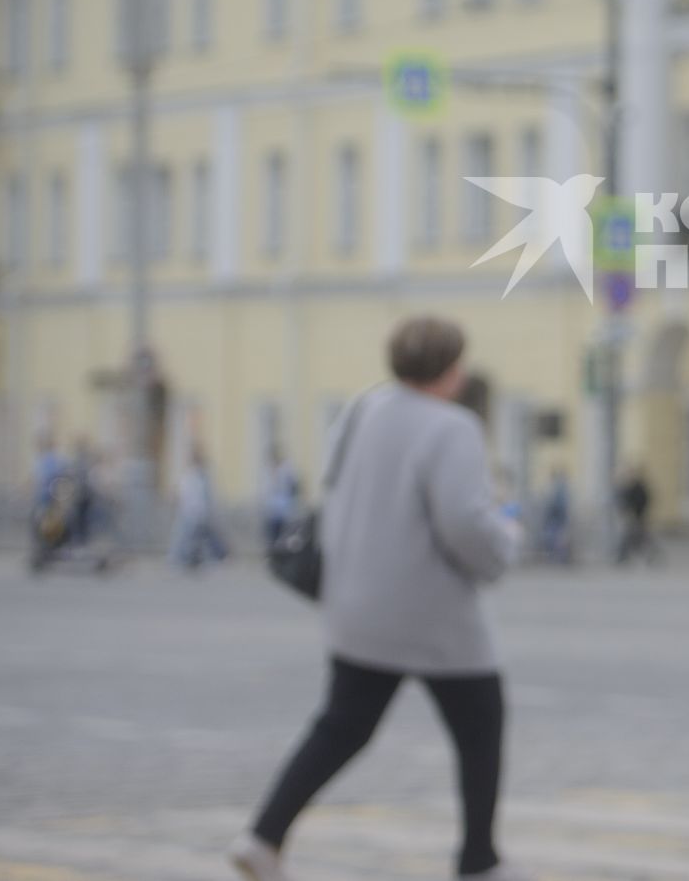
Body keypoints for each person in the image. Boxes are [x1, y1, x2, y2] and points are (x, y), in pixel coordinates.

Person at [232, 316, 522, 881]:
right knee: (482, 723)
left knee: (341, 727)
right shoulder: (451, 427)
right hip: (433, 614)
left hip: (357, 604)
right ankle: (479, 859)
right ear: (451, 368)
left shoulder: (364, 407)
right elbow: (463, 521)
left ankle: (263, 836)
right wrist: (504, 547)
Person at [170, 447, 229, 571]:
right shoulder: (192, 476)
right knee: (191, 537)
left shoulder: (197, 477)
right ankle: (186, 558)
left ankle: (186, 558)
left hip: (196, 512)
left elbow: (198, 496)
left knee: (193, 537)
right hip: (192, 512)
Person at [613, 465, 660, 567]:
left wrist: (636, 514)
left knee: (638, 538)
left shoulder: (638, 488)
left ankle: (651, 556)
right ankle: (622, 557)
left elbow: (642, 502)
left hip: (637, 517)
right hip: (634, 517)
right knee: (634, 538)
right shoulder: (631, 487)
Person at [260, 446, 300, 551]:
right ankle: (273, 553)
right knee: (272, 534)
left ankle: (281, 553)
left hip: (283, 508)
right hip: (272, 509)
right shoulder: (269, 471)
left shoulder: (286, 470)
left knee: (282, 534)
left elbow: (292, 486)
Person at [538, 467, 573, 565]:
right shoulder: (559, 488)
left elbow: (557, 505)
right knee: (556, 537)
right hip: (556, 517)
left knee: (556, 537)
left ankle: (558, 556)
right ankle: (557, 556)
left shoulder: (558, 488)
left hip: (556, 516)